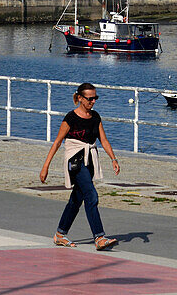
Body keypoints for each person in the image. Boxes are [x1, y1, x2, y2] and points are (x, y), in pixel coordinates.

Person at [40, 82, 120, 250]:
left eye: (95, 98)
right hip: (75, 161)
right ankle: (99, 237)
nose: (93, 102)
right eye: (90, 99)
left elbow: (103, 140)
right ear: (80, 98)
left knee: (76, 199)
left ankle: (60, 234)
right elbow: (57, 142)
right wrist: (45, 166)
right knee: (91, 195)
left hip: (90, 160)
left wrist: (113, 159)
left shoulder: (95, 117)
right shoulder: (71, 118)